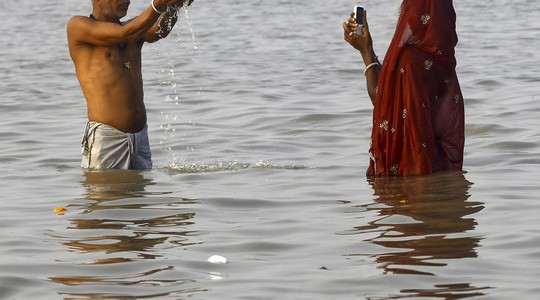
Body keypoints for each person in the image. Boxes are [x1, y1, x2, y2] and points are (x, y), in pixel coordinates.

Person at [67, 0, 195, 170]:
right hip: (107, 138)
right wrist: (158, 5)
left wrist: (174, 5)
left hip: (140, 138)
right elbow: (124, 34)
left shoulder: (133, 29)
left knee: (140, 194)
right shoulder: (78, 27)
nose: (126, 0)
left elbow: (158, 31)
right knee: (105, 195)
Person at [343, 0, 465, 176]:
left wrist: (366, 52)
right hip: (440, 181)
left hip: (412, 185)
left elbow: (384, 102)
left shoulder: (410, 61)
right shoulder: (444, 65)